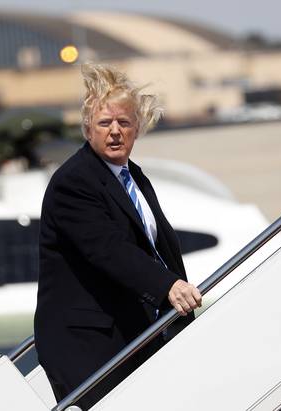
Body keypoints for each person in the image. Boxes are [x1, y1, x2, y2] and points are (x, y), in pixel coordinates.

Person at [34, 63, 202, 409]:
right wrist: (166, 286)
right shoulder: (74, 182)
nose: (114, 132)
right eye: (104, 123)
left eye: (123, 123)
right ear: (87, 129)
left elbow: (158, 246)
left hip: (131, 334)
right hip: (89, 344)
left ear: (137, 129)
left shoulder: (132, 177)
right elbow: (107, 248)